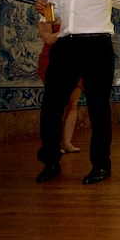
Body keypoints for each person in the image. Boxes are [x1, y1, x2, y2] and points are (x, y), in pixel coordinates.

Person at [34, 0, 120, 184]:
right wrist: (45, 9)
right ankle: (51, 162)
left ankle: (101, 165)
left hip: (97, 45)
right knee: (52, 105)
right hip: (66, 45)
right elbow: (57, 14)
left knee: (99, 107)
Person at [36, 18, 82, 154]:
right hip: (54, 58)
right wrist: (70, 31)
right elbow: (48, 38)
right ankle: (53, 144)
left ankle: (66, 142)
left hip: (76, 57)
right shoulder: (48, 9)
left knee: (73, 103)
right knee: (56, 103)